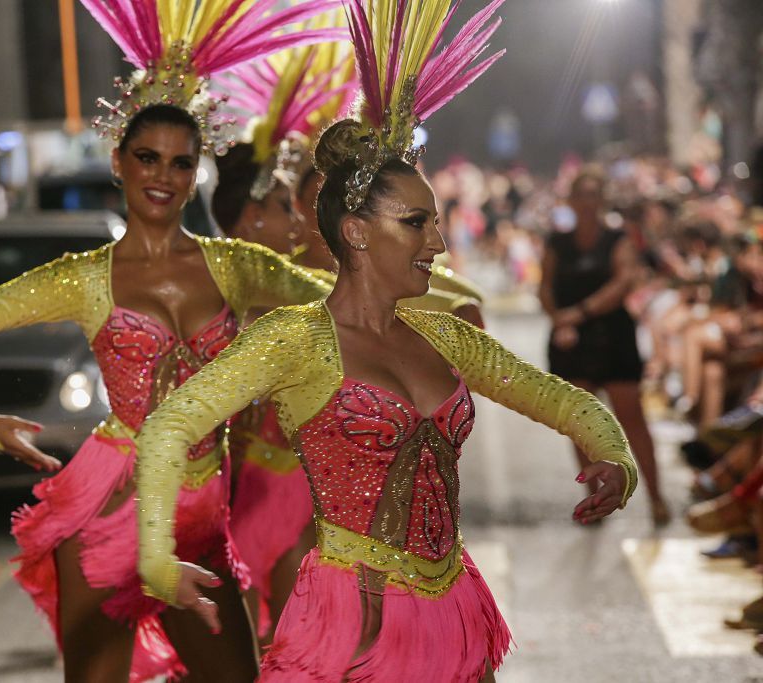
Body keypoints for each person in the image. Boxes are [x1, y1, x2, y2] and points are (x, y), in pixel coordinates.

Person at [134, 1, 636, 680]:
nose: (437, 240)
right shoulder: (298, 338)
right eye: (417, 222)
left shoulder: (444, 334)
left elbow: (569, 404)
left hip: (456, 605)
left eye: (435, 221)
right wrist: (157, 556)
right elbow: (168, 426)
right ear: (357, 231)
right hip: (351, 620)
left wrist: (615, 458)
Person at [0, 1, 340, 679]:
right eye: (147, 157)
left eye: (180, 163)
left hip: (204, 513)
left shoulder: (234, 265)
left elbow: (341, 307)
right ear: (118, 161)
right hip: (111, 507)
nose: (162, 176)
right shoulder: (87, 278)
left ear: (196, 171)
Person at [212, 36, 487, 641]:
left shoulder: (418, 303)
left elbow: (473, 337)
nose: (302, 221)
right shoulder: (266, 291)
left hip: (364, 513)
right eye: (297, 205)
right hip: (272, 485)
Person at [540, 169, 670, 525]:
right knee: (581, 425)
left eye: (593, 194)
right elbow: (545, 286)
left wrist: (577, 314)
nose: (587, 202)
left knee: (632, 417)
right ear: (571, 200)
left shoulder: (618, 239)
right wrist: (558, 319)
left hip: (612, 336)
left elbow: (624, 281)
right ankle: (593, 499)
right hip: (572, 340)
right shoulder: (557, 242)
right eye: (581, 195)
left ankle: (656, 496)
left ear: (602, 200)